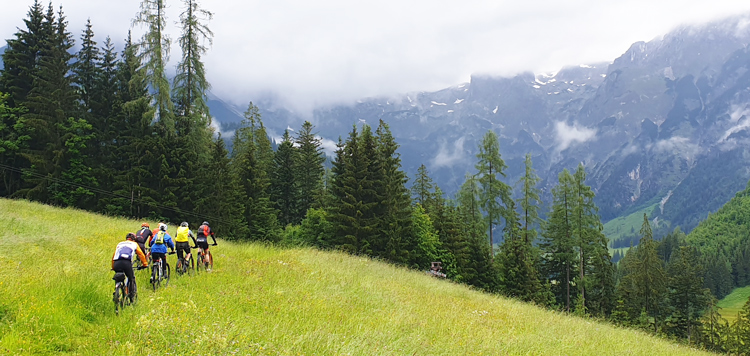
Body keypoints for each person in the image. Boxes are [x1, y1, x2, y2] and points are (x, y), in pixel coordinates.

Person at [112, 233, 149, 300]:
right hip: (126, 262)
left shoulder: (120, 244)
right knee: (131, 278)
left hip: (117, 262)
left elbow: (114, 256)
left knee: (118, 276)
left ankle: (117, 288)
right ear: (134, 239)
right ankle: (131, 297)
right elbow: (141, 254)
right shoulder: (134, 244)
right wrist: (145, 264)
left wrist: (113, 267)